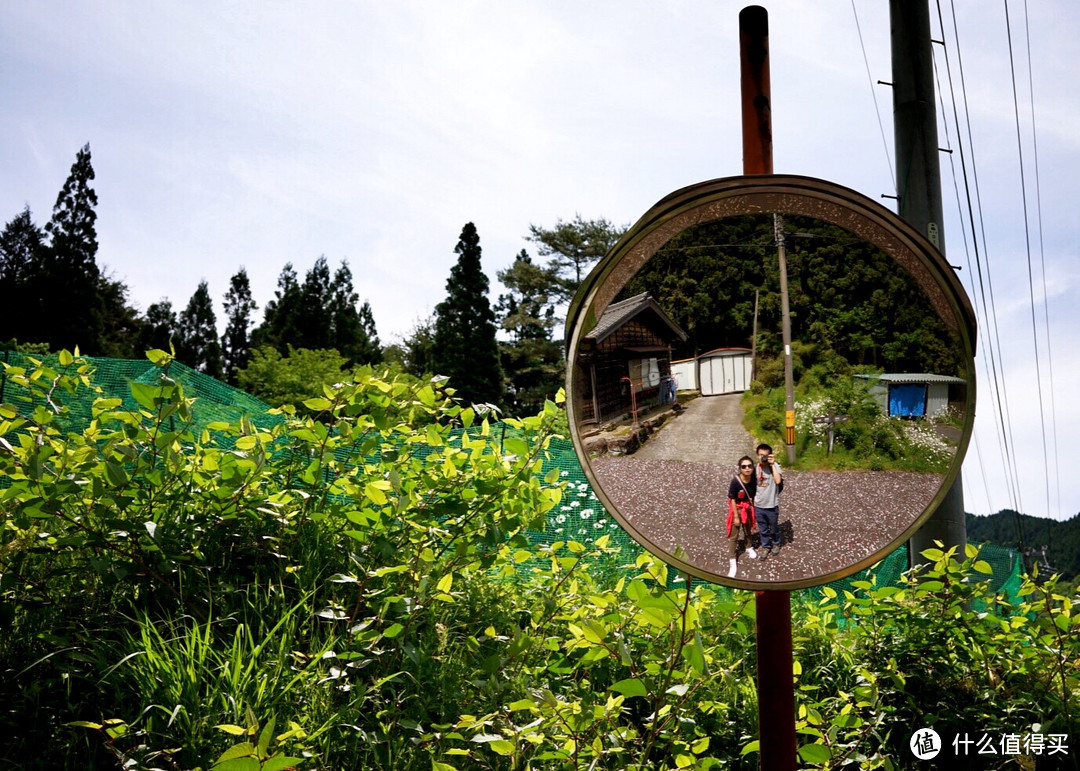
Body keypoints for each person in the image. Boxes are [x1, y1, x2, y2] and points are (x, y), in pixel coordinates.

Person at [726, 455, 758, 577]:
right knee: (734, 536)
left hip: (748, 508)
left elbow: (754, 495)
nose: (747, 468)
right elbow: (732, 499)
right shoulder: (735, 481)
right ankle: (732, 559)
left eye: (750, 466)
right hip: (738, 509)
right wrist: (735, 516)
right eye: (744, 466)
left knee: (748, 530)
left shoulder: (753, 479)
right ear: (740, 468)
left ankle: (749, 547)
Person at [754, 443, 784, 559]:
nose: (763, 458)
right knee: (763, 528)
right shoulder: (754, 468)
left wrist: (772, 465)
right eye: (761, 455)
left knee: (774, 526)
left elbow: (777, 481)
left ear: (770, 456)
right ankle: (766, 546)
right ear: (757, 455)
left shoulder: (774, 466)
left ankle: (776, 544)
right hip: (758, 505)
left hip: (771, 504)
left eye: (765, 455)